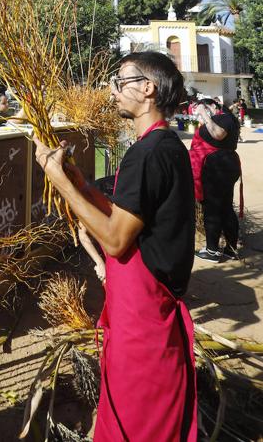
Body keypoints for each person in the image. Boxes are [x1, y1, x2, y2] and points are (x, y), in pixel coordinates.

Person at [35, 51, 197, 442]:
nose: (113, 92)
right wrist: (81, 184)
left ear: (148, 89)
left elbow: (115, 237)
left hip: (143, 324)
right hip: (137, 314)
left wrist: (59, 183)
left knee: (139, 422)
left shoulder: (149, 153)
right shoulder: (162, 145)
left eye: (121, 83)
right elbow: (130, 216)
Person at [190, 98, 242, 262]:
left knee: (213, 209)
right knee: (225, 208)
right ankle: (230, 249)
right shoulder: (219, 118)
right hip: (221, 165)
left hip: (219, 167)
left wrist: (204, 113)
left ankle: (212, 251)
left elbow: (218, 134)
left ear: (213, 106)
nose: (200, 111)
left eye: (204, 107)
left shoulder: (224, 117)